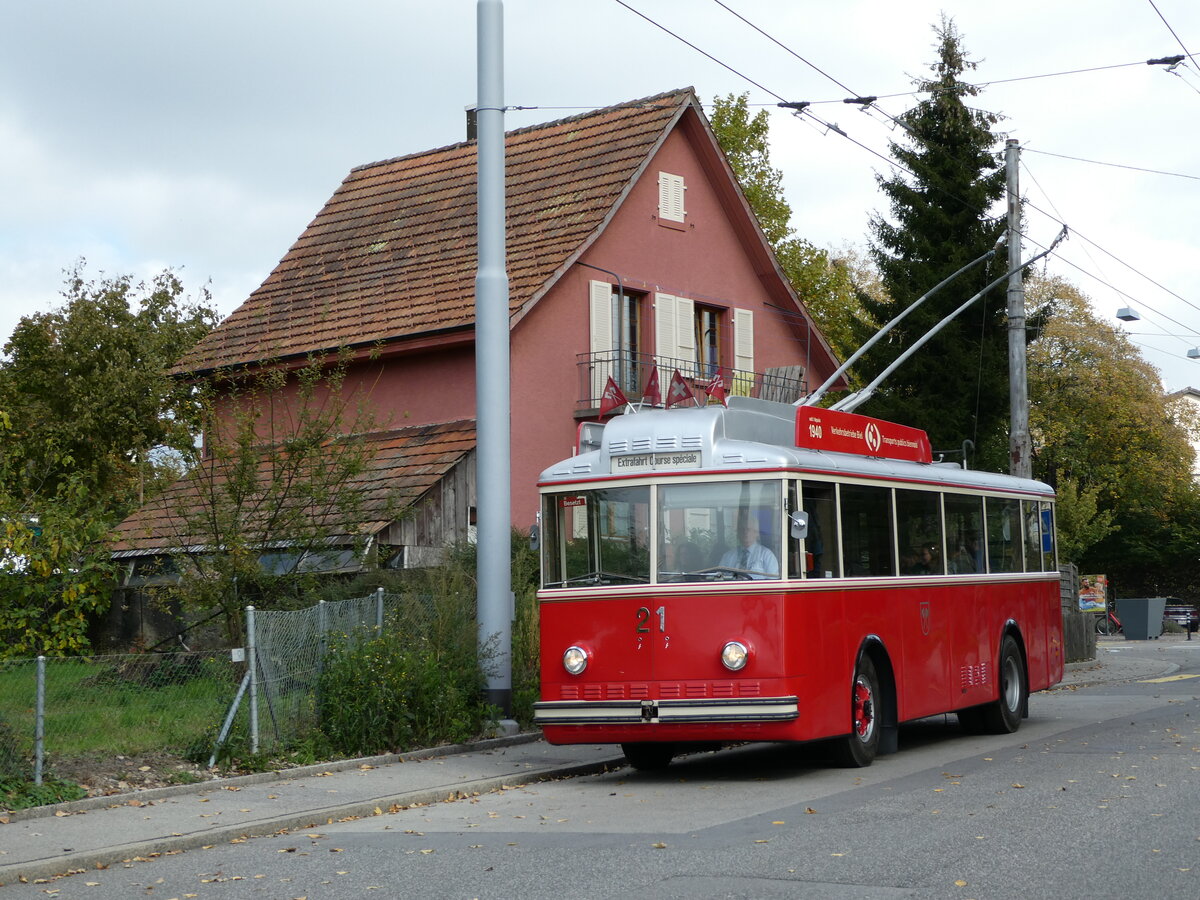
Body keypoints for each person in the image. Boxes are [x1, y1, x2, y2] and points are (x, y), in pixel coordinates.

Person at [719, 514, 779, 579]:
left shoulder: (767, 555)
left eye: (748, 529)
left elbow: (773, 581)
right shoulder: (728, 556)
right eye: (742, 529)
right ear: (738, 533)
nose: (745, 532)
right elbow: (719, 578)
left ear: (756, 533)